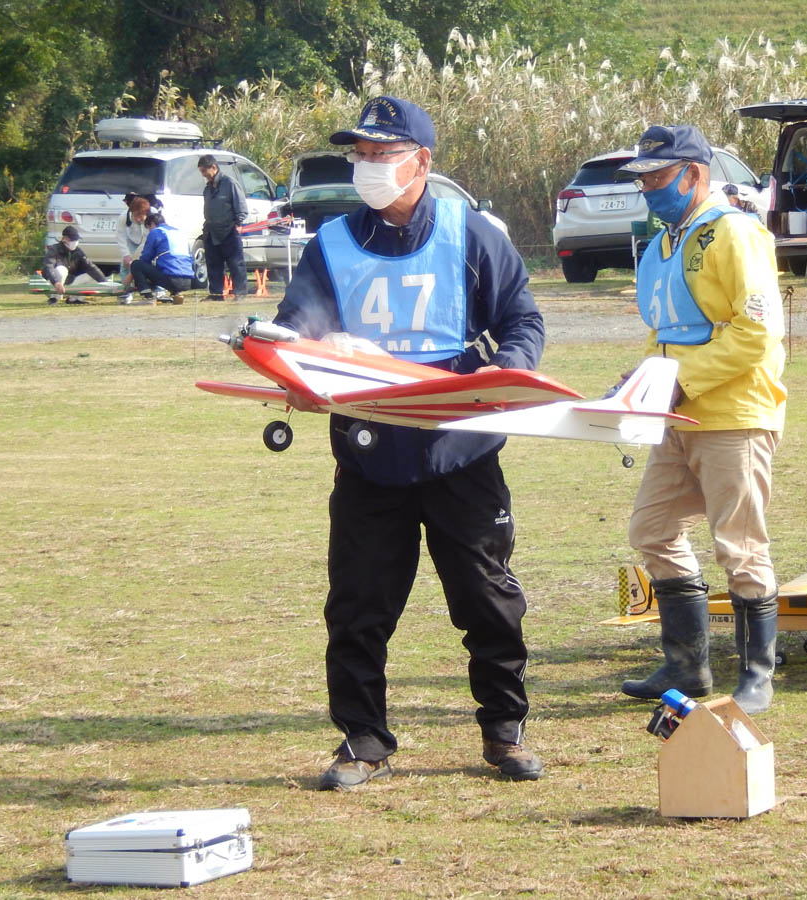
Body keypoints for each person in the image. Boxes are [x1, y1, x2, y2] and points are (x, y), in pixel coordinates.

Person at [272, 96, 546, 789]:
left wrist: (502, 374)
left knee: (488, 600)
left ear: (421, 161)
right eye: (359, 155)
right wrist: (301, 367)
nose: (367, 166)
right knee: (357, 607)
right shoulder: (331, 243)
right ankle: (363, 740)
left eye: (382, 154)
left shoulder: (473, 234)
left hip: (462, 451)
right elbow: (294, 329)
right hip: (369, 455)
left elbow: (523, 320)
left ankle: (504, 731)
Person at [615, 124, 787, 715]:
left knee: (739, 544)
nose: (647, 189)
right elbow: (665, 332)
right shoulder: (664, 243)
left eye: (657, 177)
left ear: (694, 174)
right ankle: (687, 665)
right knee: (653, 529)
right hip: (677, 417)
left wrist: (679, 382)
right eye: (641, 179)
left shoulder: (734, 233)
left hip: (733, 415)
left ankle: (757, 674)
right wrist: (642, 381)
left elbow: (757, 332)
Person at [198, 154, 247, 301]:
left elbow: (241, 207)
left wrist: (238, 224)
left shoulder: (230, 184)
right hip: (211, 232)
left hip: (229, 231)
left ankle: (240, 293)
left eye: (204, 171)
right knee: (213, 265)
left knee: (236, 264)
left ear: (213, 167)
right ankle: (216, 294)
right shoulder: (207, 188)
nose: (203, 175)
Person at [130, 211, 193, 304]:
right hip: (188, 281)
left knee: (136, 265)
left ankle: (147, 297)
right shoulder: (179, 233)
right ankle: (176, 293)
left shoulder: (156, 232)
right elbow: (190, 258)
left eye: (148, 228)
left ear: (152, 224)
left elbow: (146, 257)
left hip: (171, 279)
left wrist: (131, 275)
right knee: (169, 265)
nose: (149, 231)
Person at [41, 225, 106, 305]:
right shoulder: (54, 250)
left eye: (76, 240)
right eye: (73, 240)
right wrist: (56, 282)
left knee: (92, 276)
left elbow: (91, 267)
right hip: (53, 283)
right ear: (64, 239)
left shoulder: (78, 252)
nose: (75, 242)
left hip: (70, 281)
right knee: (61, 270)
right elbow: (48, 267)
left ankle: (74, 299)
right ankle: (54, 298)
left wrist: (105, 283)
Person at [117, 192, 162, 304]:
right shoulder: (123, 217)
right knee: (124, 266)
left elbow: (147, 240)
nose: (138, 219)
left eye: (141, 216)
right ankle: (126, 293)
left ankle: (160, 290)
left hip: (149, 241)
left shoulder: (153, 214)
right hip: (131, 241)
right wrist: (126, 255)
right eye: (135, 215)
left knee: (156, 263)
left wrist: (134, 260)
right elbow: (120, 236)